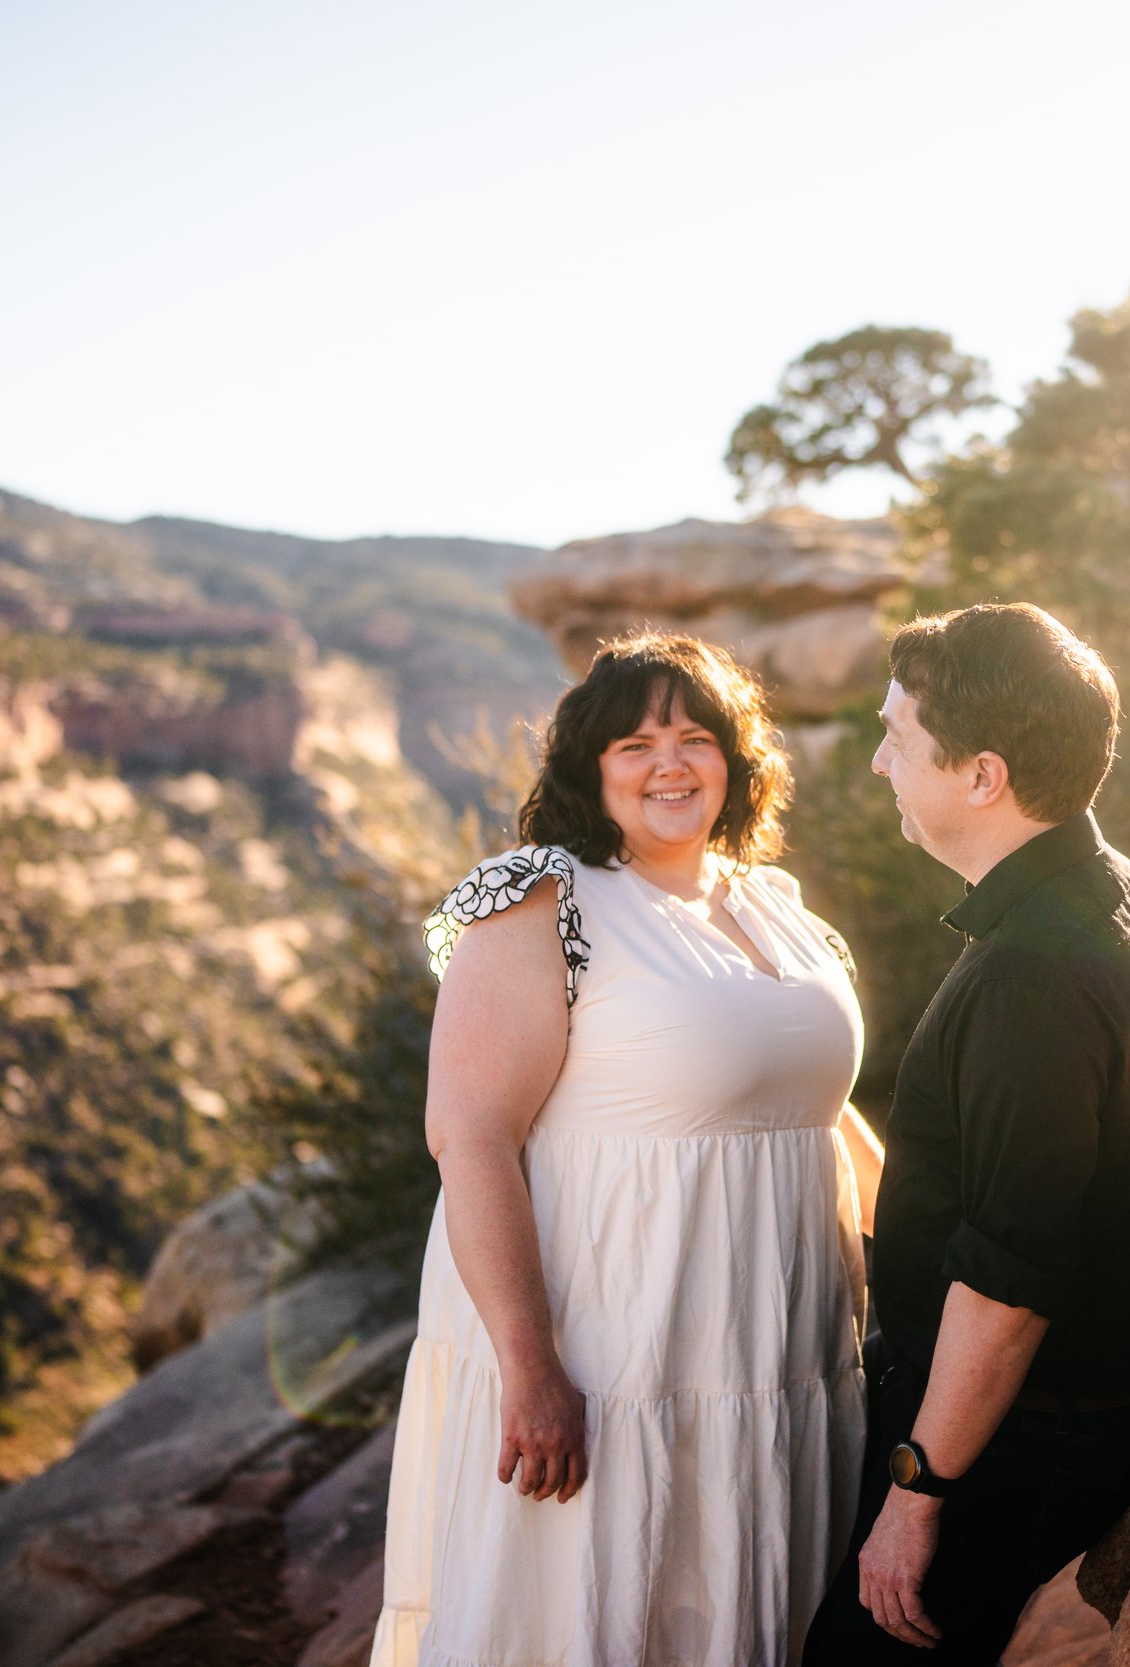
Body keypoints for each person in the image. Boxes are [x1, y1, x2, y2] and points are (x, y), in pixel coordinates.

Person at [371, 632, 885, 1667]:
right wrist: (531, 1365)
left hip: (779, 1349)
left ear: (735, 761)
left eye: (697, 737)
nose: (670, 763)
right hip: (614, 1355)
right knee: (595, 1613)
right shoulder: (541, 896)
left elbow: (822, 1109)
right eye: (634, 744)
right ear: (587, 769)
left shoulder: (771, 904)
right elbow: (468, 1134)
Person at [806, 603, 1130, 1664]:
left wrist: (918, 1491)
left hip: (1014, 1440)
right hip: (1082, 1413)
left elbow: (1010, 1281)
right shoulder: (1128, 890)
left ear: (981, 775)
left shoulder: (1028, 972)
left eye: (898, 739)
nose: (875, 762)